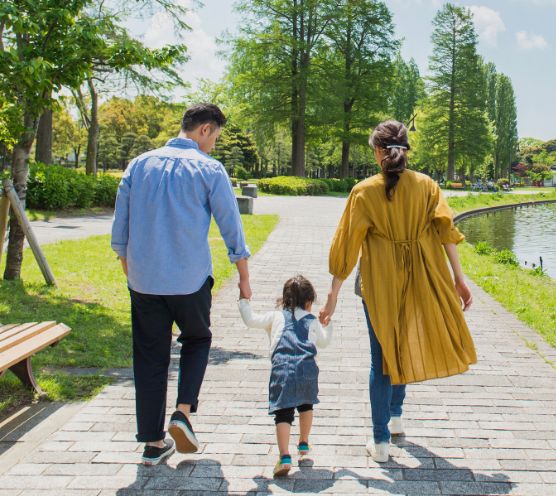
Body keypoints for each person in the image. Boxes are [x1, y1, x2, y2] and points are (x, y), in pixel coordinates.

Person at [319, 119, 476, 463]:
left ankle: (380, 442)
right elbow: (447, 231)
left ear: (377, 150)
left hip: (378, 281)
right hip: (420, 275)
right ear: (406, 150)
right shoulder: (427, 185)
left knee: (381, 358)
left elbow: (346, 246)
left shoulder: (363, 191)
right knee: (402, 345)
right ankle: (396, 416)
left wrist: (331, 295)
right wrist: (458, 278)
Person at [111, 103, 253, 466]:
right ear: (204, 129)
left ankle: (153, 444)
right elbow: (231, 227)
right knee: (197, 340)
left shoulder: (139, 164)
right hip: (189, 281)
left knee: (149, 356)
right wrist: (244, 277)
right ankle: (183, 412)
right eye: (215, 138)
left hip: (143, 281)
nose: (214, 146)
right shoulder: (209, 169)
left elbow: (120, 231)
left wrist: (134, 274)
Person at [238, 275, 332, 477]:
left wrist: (243, 300)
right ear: (309, 302)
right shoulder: (312, 319)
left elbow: (250, 319)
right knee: (306, 404)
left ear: (284, 300)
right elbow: (323, 342)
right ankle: (304, 442)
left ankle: (285, 456)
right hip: (308, 369)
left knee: (283, 413)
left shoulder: (276, 316)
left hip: (283, 370)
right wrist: (327, 325)